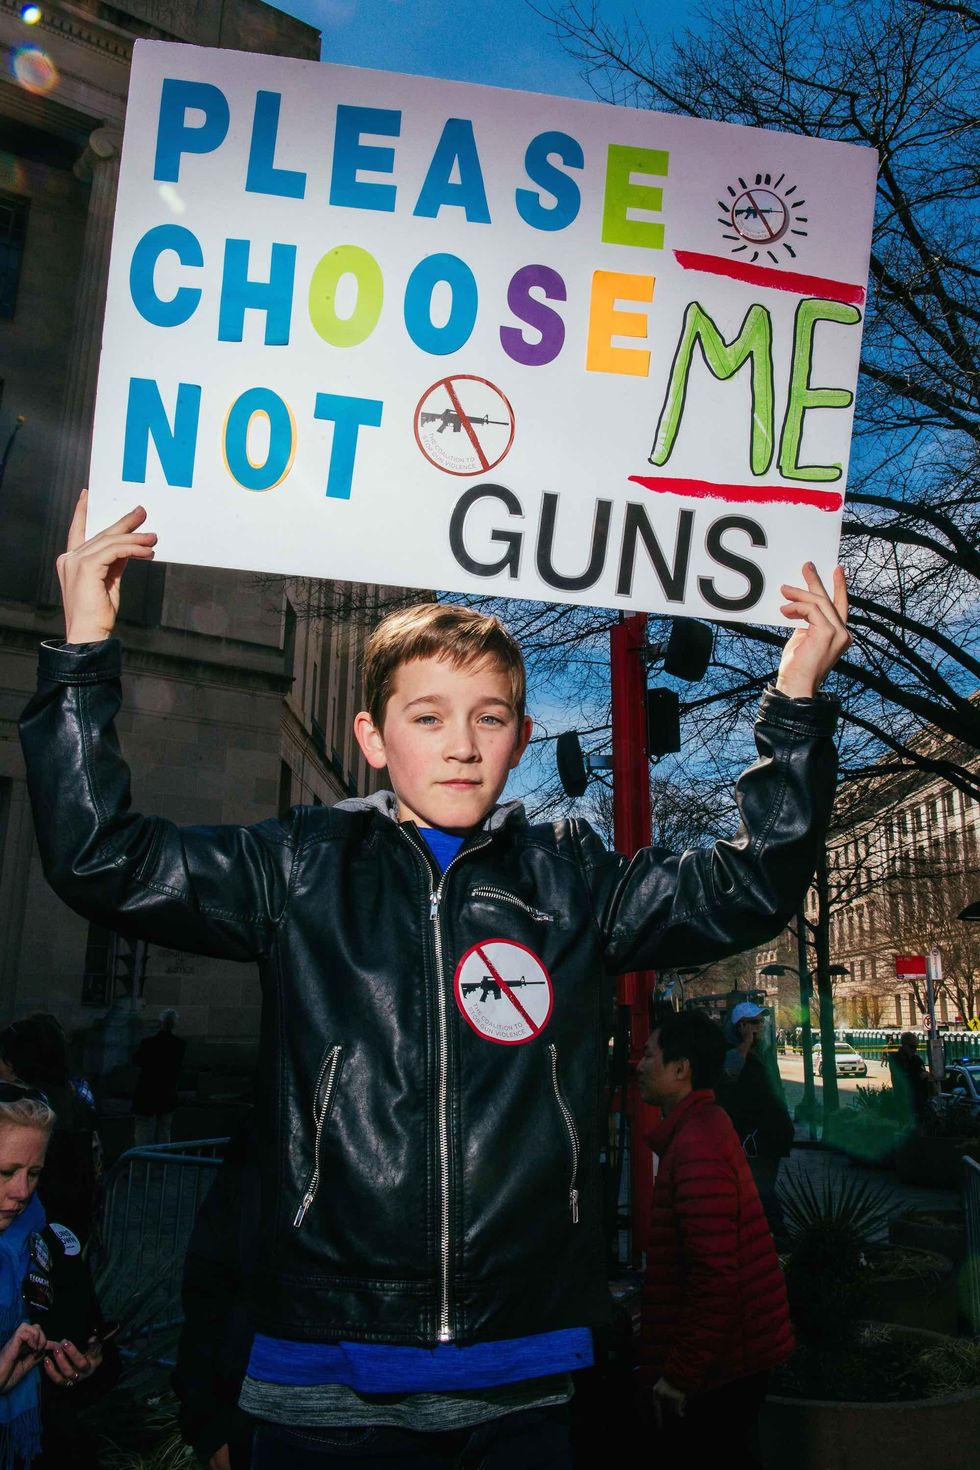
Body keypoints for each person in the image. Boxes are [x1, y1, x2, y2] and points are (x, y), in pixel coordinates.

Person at [18, 494, 849, 1467]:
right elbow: (102, 860)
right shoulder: (298, 866)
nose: (458, 742)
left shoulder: (571, 879)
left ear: (517, 737)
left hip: (524, 1376)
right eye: (427, 715)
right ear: (373, 737)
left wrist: (792, 702)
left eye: (487, 717)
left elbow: (745, 887)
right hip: (318, 1373)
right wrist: (82, 644)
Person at [635, 1010, 794, 1467]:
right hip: (731, 1359)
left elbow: (715, 1275)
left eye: (650, 1055)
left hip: (722, 1370)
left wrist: (680, 1376)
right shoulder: (701, 1127)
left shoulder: (697, 1144)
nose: (639, 1065)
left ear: (681, 1069)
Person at [0, 1082, 108, 1469]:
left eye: (34, 1173)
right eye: (5, 1172)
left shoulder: (53, 1243)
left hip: (40, 1448)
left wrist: (86, 1365)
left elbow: (93, 1336)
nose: (21, 1191)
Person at [0, 1017, 100, 1245]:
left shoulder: (27, 1108)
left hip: (39, 1230)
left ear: (14, 1063)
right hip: (69, 1227)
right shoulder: (77, 1098)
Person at [715, 1001, 794, 1241]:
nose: (761, 1027)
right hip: (754, 1136)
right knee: (760, 1190)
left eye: (761, 1022)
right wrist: (746, 1043)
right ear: (742, 1026)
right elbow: (728, 1077)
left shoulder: (763, 1053)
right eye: (755, 1023)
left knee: (761, 1187)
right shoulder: (733, 1052)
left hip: (769, 1134)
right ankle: (776, 1236)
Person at [132, 1009, 186, 1146]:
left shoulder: (148, 1043)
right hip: (167, 1091)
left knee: (143, 1129)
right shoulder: (179, 1045)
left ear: (160, 1023)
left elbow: (137, 1061)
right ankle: (162, 1162)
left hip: (147, 1090)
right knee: (164, 1129)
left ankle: (142, 1160)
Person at [889, 1031, 935, 1123]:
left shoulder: (916, 1059)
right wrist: (918, 1076)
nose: (915, 1050)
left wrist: (929, 1078)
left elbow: (923, 1074)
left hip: (920, 1101)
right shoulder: (896, 1059)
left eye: (916, 1047)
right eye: (912, 1047)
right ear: (905, 1046)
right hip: (905, 1102)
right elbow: (901, 1079)